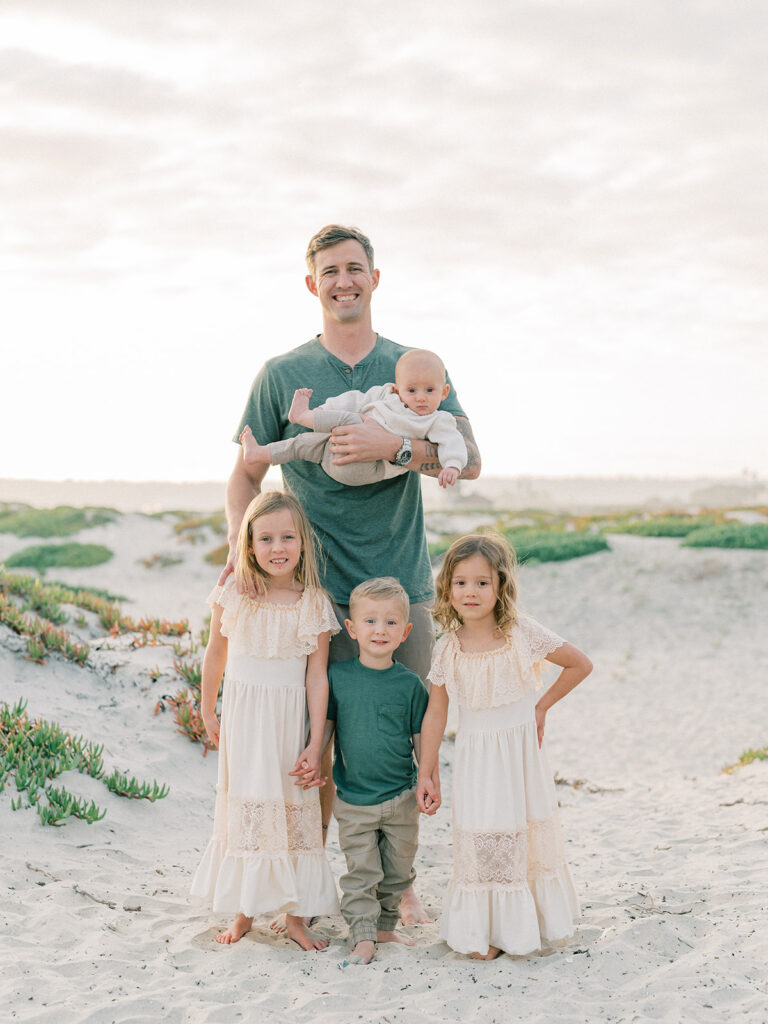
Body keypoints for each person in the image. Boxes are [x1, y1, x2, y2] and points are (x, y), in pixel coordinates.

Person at [222, 224, 481, 925]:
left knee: (396, 742)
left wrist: (395, 444)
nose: (344, 281)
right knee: (314, 745)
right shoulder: (281, 373)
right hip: (311, 597)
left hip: (403, 588)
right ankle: (310, 885)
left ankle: (399, 885)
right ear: (313, 284)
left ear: (375, 278)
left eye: (355, 268)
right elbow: (246, 475)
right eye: (330, 270)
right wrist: (239, 556)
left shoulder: (412, 365)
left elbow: (470, 461)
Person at [416, 533, 592, 959]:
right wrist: (427, 769)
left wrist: (541, 707)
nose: (470, 592)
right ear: (447, 588)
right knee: (484, 834)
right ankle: (487, 932)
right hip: (477, 758)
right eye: (460, 582)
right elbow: (436, 712)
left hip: (519, 755)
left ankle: (524, 926)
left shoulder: (520, 633)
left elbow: (579, 664)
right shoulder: (447, 648)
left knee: (523, 832)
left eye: (481, 582)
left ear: (500, 586)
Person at [191, 491, 340, 950]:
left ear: (303, 543)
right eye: (266, 538)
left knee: (293, 812)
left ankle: (296, 918)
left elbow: (318, 677)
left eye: (288, 537)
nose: (278, 547)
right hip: (244, 722)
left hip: (288, 725)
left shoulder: (313, 601)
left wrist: (316, 742)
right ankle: (244, 912)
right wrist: (206, 705)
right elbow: (216, 652)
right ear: (249, 545)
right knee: (249, 808)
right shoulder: (236, 591)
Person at [318, 577, 429, 965]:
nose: (379, 630)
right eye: (370, 621)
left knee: (398, 871)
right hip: (353, 799)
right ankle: (363, 934)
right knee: (361, 872)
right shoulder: (339, 678)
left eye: (390, 623)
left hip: (401, 797)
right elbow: (327, 730)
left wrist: (428, 778)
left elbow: (420, 739)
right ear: (351, 628)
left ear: (405, 631)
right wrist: (313, 757)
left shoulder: (411, 685)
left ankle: (385, 926)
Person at [238, 348, 467, 488]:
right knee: (302, 444)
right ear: (397, 389)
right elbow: (354, 399)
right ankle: (259, 453)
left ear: (444, 392)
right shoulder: (385, 394)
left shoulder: (437, 420)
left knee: (355, 421)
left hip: (368, 469)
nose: (420, 399)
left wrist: (452, 466)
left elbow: (453, 442)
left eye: (429, 391)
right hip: (333, 458)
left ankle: (302, 416)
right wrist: (325, 410)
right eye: (412, 390)